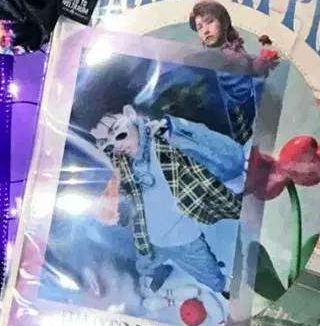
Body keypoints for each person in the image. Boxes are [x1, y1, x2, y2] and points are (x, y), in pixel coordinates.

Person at [91, 104, 246, 296]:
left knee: (203, 268)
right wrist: (115, 209)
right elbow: (123, 192)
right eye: (107, 145)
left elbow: (231, 156)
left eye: (118, 134)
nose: (118, 146)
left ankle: (222, 286)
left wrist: (176, 129)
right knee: (146, 261)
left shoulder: (165, 141)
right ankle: (154, 272)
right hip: (147, 236)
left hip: (180, 236)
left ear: (130, 114)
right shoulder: (122, 162)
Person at [188, 0, 279, 144]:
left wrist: (264, 57)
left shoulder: (235, 47)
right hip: (222, 116)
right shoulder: (205, 58)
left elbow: (250, 71)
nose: (205, 30)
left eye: (210, 22)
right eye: (200, 27)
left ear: (223, 22)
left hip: (245, 112)